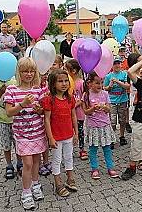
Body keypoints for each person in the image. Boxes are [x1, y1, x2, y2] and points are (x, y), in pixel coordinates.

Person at [4, 57, 47, 210]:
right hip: (22, 134)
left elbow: (43, 110)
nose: (28, 74)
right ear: (19, 73)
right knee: (27, 163)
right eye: (25, 71)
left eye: (31, 71)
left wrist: (39, 109)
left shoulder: (38, 89)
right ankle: (26, 192)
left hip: (37, 131)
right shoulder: (11, 90)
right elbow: (9, 112)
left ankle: (35, 184)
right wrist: (23, 104)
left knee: (36, 161)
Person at [42, 69, 79, 197]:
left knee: (69, 157)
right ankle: (58, 183)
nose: (64, 84)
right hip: (56, 137)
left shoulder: (70, 98)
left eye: (66, 81)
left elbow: (73, 116)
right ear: (53, 84)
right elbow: (46, 119)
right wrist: (50, 138)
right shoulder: (49, 100)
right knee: (57, 160)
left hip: (69, 134)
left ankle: (70, 178)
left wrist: (76, 133)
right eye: (60, 81)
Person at [82, 72, 118, 179]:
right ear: (90, 83)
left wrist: (103, 107)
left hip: (105, 126)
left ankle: (110, 167)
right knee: (93, 149)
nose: (100, 85)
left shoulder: (105, 94)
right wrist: (92, 109)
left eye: (101, 83)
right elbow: (85, 112)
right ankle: (94, 168)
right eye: (97, 83)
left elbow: (109, 109)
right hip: (93, 127)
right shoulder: (86, 95)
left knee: (107, 148)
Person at [0, 78, 22, 179]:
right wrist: (0, 92)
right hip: (2, 121)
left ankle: (20, 163)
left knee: (18, 143)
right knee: (6, 145)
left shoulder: (15, 82)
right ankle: (9, 165)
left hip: (16, 119)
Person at [104, 56, 130, 146]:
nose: (117, 65)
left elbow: (127, 86)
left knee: (122, 120)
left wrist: (118, 82)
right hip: (112, 101)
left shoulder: (124, 74)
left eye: (118, 63)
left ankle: (122, 136)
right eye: (115, 63)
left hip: (123, 100)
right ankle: (112, 138)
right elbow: (105, 88)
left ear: (121, 64)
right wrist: (110, 85)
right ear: (112, 65)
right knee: (113, 121)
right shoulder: (108, 76)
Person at [64, 59, 87, 160]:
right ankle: (69, 149)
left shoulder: (81, 83)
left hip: (78, 113)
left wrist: (74, 105)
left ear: (73, 71)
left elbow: (84, 98)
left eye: (66, 69)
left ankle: (82, 149)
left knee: (80, 131)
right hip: (68, 113)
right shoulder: (66, 83)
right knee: (69, 131)